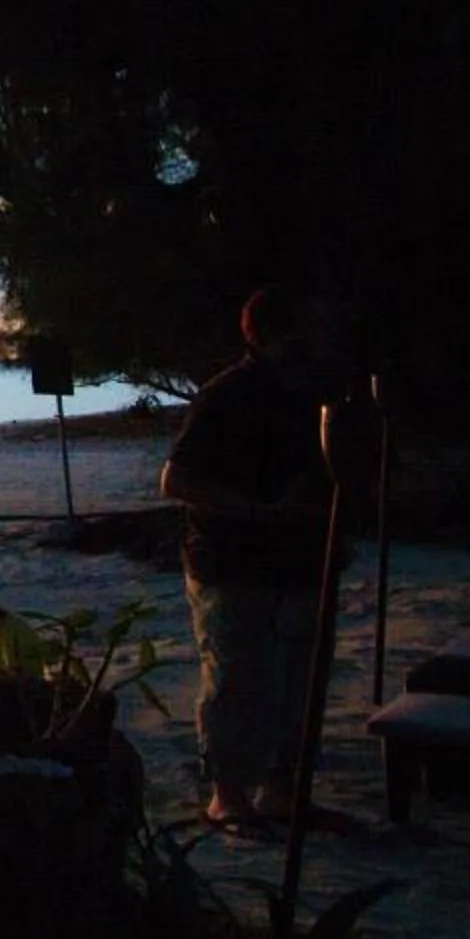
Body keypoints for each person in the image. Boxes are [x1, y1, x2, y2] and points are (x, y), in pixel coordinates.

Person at [159, 285, 355, 826]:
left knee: (300, 681)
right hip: (233, 561)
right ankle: (228, 793)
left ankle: (282, 788)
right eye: (309, 328)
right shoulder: (227, 395)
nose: (321, 338)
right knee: (237, 679)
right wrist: (262, 511)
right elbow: (176, 480)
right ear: (271, 335)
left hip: (307, 558)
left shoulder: (323, 391)